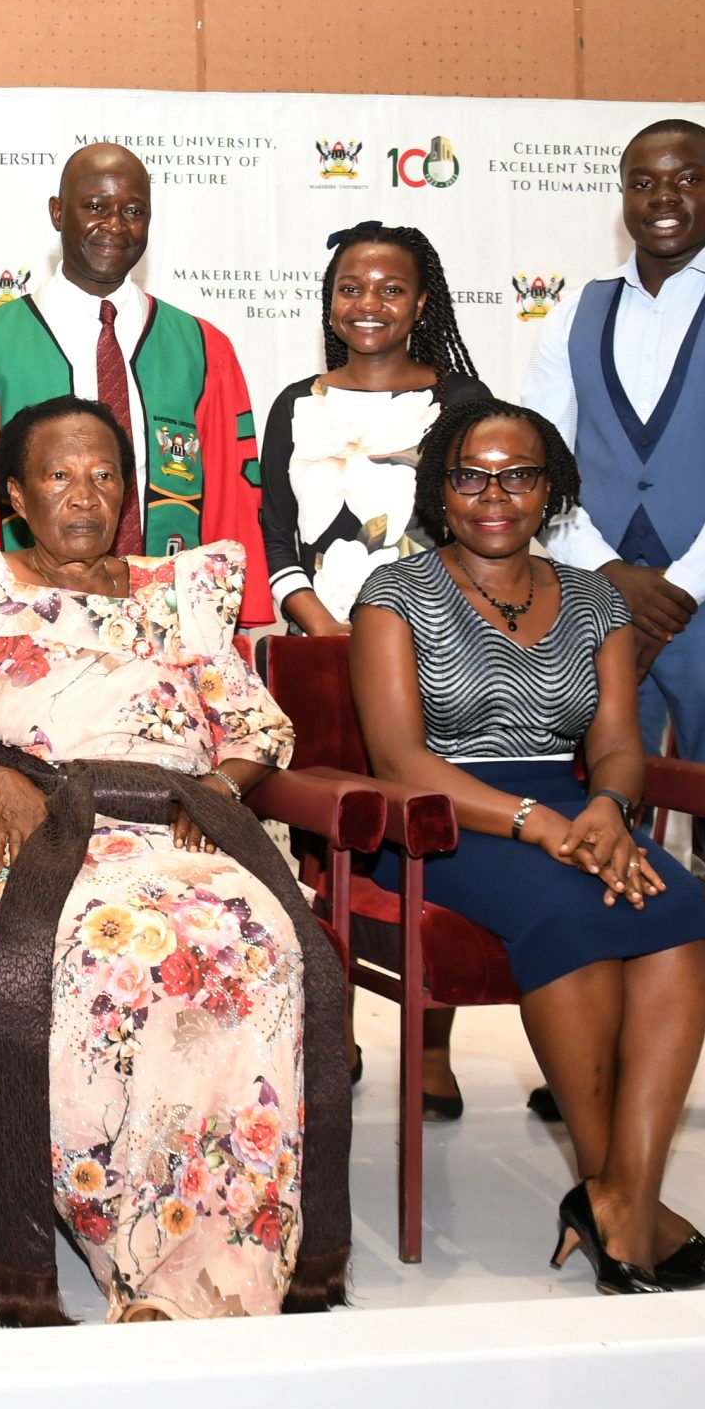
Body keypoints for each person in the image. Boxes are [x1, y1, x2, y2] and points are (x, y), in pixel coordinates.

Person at [0, 394, 349, 1325]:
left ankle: (213, 1277)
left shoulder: (179, 595)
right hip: (46, 838)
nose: (83, 495)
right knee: (118, 946)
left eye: (104, 476)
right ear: (16, 494)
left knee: (252, 942)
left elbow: (254, 726)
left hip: (186, 830)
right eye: (58, 475)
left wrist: (218, 789)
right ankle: (130, 1242)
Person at [352, 398, 705, 1293]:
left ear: (549, 489)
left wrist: (606, 806)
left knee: (677, 910)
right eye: (470, 474)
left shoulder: (596, 594)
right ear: (439, 489)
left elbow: (616, 741)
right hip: (444, 820)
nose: (495, 494)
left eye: (518, 474)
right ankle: (622, 1198)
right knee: (575, 912)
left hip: (573, 805)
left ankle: (618, 1196)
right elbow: (401, 758)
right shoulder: (392, 594)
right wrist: (538, 824)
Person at [520, 119, 705, 1154]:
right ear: (621, 192)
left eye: (684, 177)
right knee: (599, 830)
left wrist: (675, 590)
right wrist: (608, 573)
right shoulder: (575, 307)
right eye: (643, 180)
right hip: (592, 606)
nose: (662, 195)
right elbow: (540, 457)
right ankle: (593, 1060)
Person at [258, 220, 489, 1118]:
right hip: (317, 658)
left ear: (420, 302)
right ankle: (338, 1032)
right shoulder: (295, 404)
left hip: (430, 653)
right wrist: (325, 629)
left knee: (427, 840)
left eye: (390, 289)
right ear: (330, 300)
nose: (369, 305)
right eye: (351, 287)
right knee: (324, 847)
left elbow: (478, 527)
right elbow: (278, 534)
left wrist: (397, 637)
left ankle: (430, 1049)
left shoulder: (460, 402)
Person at [0, 143, 272, 625]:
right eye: (95, 207)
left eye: (133, 211)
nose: (114, 225)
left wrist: (235, 617)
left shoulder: (203, 349)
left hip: (172, 621)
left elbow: (231, 498)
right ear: (57, 213)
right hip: (25, 627)